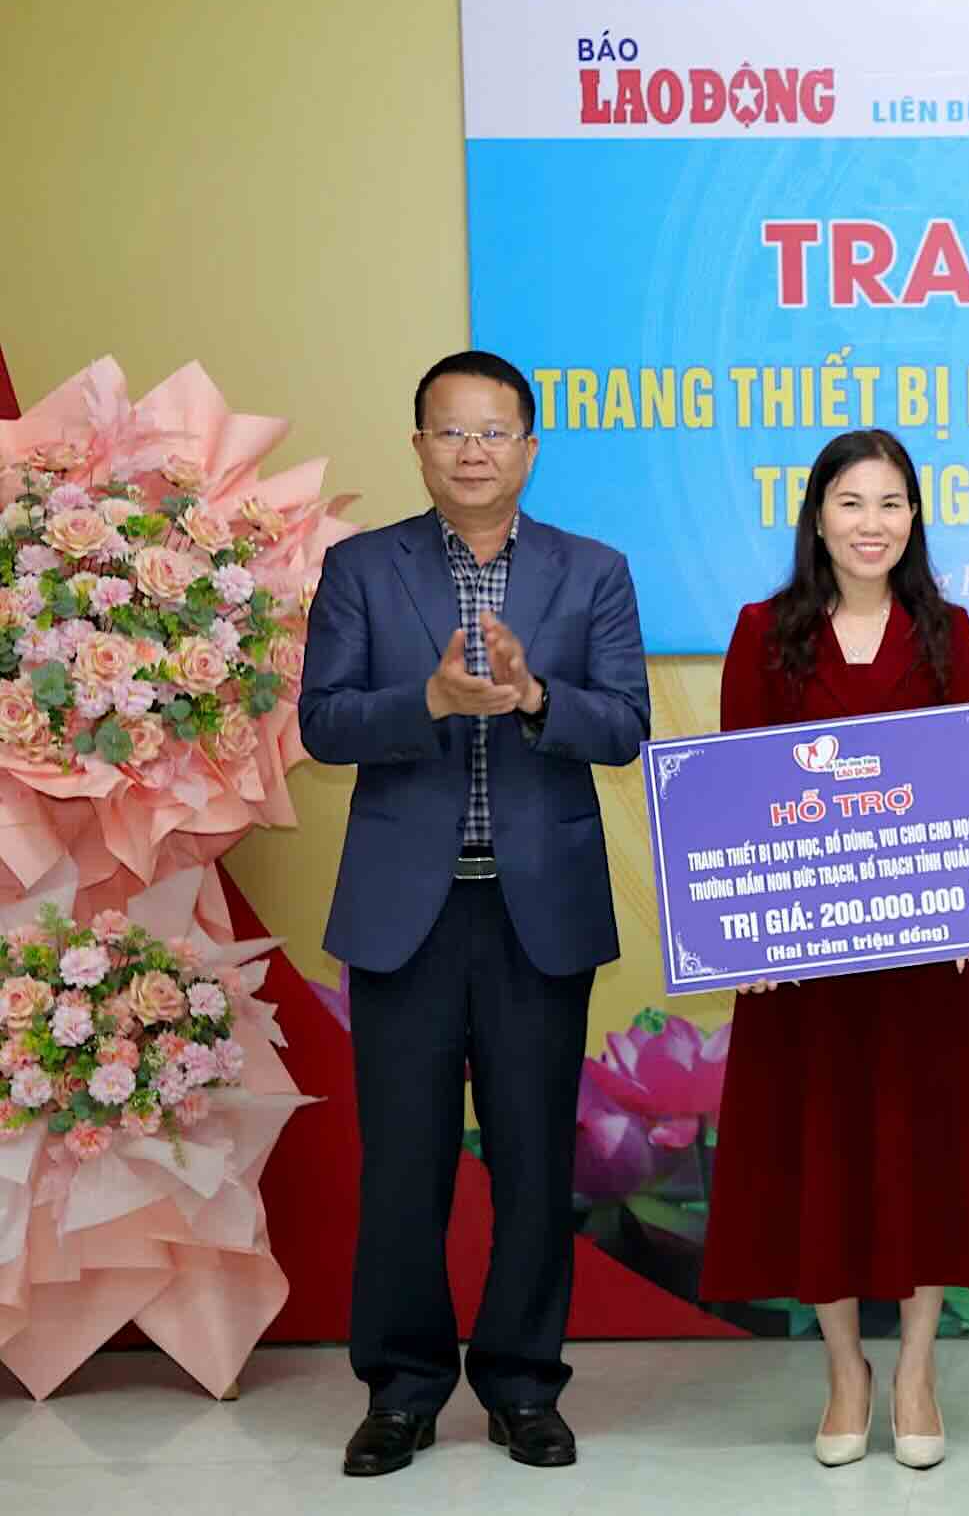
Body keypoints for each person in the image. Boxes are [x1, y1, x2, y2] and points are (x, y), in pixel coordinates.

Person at [299, 350, 652, 1477]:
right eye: (450, 432)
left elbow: (625, 726)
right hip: (406, 913)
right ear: (417, 446)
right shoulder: (361, 569)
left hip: (535, 913)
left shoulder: (591, 571)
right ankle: (399, 1392)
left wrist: (538, 695)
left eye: (494, 431)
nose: (472, 451)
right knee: (402, 1165)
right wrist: (431, 700)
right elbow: (323, 724)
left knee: (536, 1162)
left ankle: (520, 1386)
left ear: (529, 447)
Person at [701, 427, 969, 1472]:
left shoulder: (947, 631)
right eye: (850, 503)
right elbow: (735, 793)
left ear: (913, 519)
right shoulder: (763, 632)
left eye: (890, 504)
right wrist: (737, 928)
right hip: (804, 961)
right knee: (818, 1152)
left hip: (926, 961)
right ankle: (846, 1370)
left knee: (925, 1149)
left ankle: (917, 1366)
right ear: (817, 516)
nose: (870, 524)